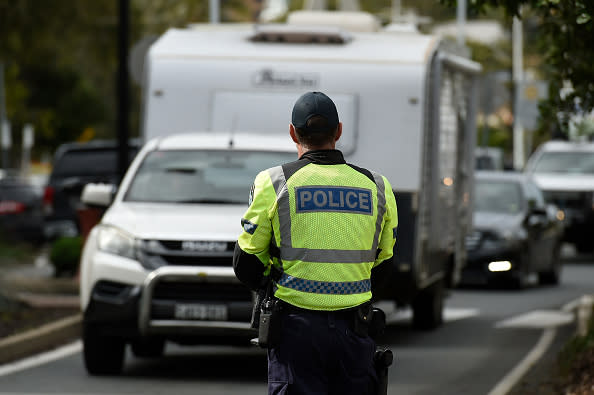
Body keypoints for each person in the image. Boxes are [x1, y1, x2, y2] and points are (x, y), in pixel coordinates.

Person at [233, 91, 398, 395]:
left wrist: (276, 278)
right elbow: (385, 264)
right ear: (339, 131)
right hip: (355, 330)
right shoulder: (377, 186)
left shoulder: (274, 182)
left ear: (293, 132)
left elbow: (246, 264)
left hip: (296, 331)